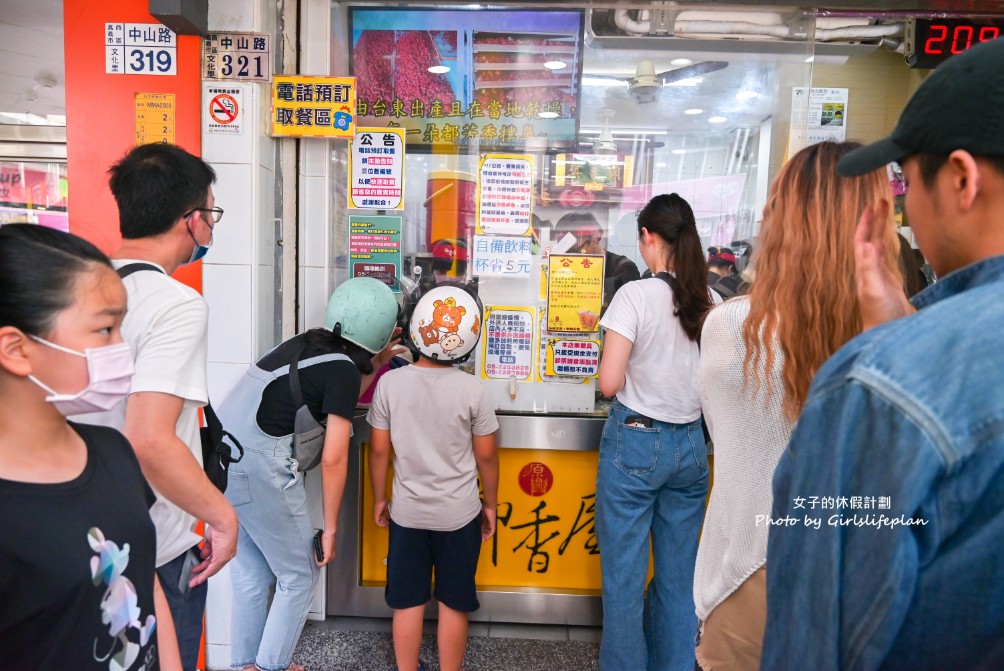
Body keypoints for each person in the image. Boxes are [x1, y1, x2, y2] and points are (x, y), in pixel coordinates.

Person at [762, 38, 1004, 670]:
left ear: (960, 179)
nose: (905, 213)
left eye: (905, 186)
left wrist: (895, 354)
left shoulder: (878, 385)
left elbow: (817, 639)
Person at [694, 142, 901, 670]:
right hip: (858, 581)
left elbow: (724, 436)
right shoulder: (900, 335)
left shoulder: (728, 328)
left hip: (743, 576)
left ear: (780, 220)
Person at [79, 142, 238, 670]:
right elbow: (150, 438)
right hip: (158, 542)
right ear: (190, 220)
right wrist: (221, 518)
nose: (211, 228)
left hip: (89, 532)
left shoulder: (81, 287)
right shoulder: (175, 304)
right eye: (210, 213)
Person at [0, 223, 182, 670]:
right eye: (104, 330)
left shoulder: (113, 452)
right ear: (17, 349)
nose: (122, 350)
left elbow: (145, 581)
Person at [216, 276, 402, 671]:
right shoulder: (342, 371)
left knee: (252, 573)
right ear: (383, 332)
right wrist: (329, 529)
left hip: (223, 460)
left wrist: (379, 361)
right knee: (301, 574)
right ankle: (271, 667)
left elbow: (338, 388)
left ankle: (245, 665)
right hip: (262, 469)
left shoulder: (304, 344)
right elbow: (335, 457)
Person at [595, 193, 717, 671]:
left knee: (624, 580)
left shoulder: (634, 295)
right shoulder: (711, 299)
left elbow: (609, 383)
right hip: (691, 448)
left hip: (636, 444)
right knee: (678, 580)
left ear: (648, 238)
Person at [367, 284, 499, 671]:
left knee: (407, 601)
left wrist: (380, 498)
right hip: (459, 514)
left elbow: (378, 449)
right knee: (454, 601)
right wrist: (488, 503)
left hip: (407, 512)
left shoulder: (391, 383)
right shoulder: (474, 389)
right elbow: (487, 457)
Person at [554, 212, 641, 305]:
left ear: (594, 240)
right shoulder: (563, 268)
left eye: (577, 251)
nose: (571, 257)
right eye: (566, 251)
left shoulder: (624, 268)